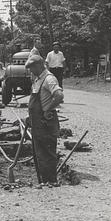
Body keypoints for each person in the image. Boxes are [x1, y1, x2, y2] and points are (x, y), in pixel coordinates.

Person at [25, 55, 64, 185]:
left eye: (32, 68)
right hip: (37, 123)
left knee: (47, 153)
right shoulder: (37, 80)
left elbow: (59, 95)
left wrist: (48, 110)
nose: (31, 71)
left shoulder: (49, 79)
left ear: (39, 65)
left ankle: (51, 181)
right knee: (39, 153)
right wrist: (30, 117)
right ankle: (43, 181)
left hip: (46, 123)